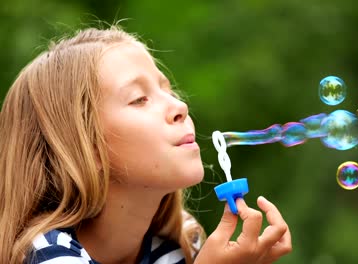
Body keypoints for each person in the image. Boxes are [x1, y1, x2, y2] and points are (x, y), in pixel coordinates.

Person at [0, 26, 292, 264]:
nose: (180, 105)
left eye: (168, 90)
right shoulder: (48, 254)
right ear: (86, 148)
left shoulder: (177, 247)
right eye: (140, 98)